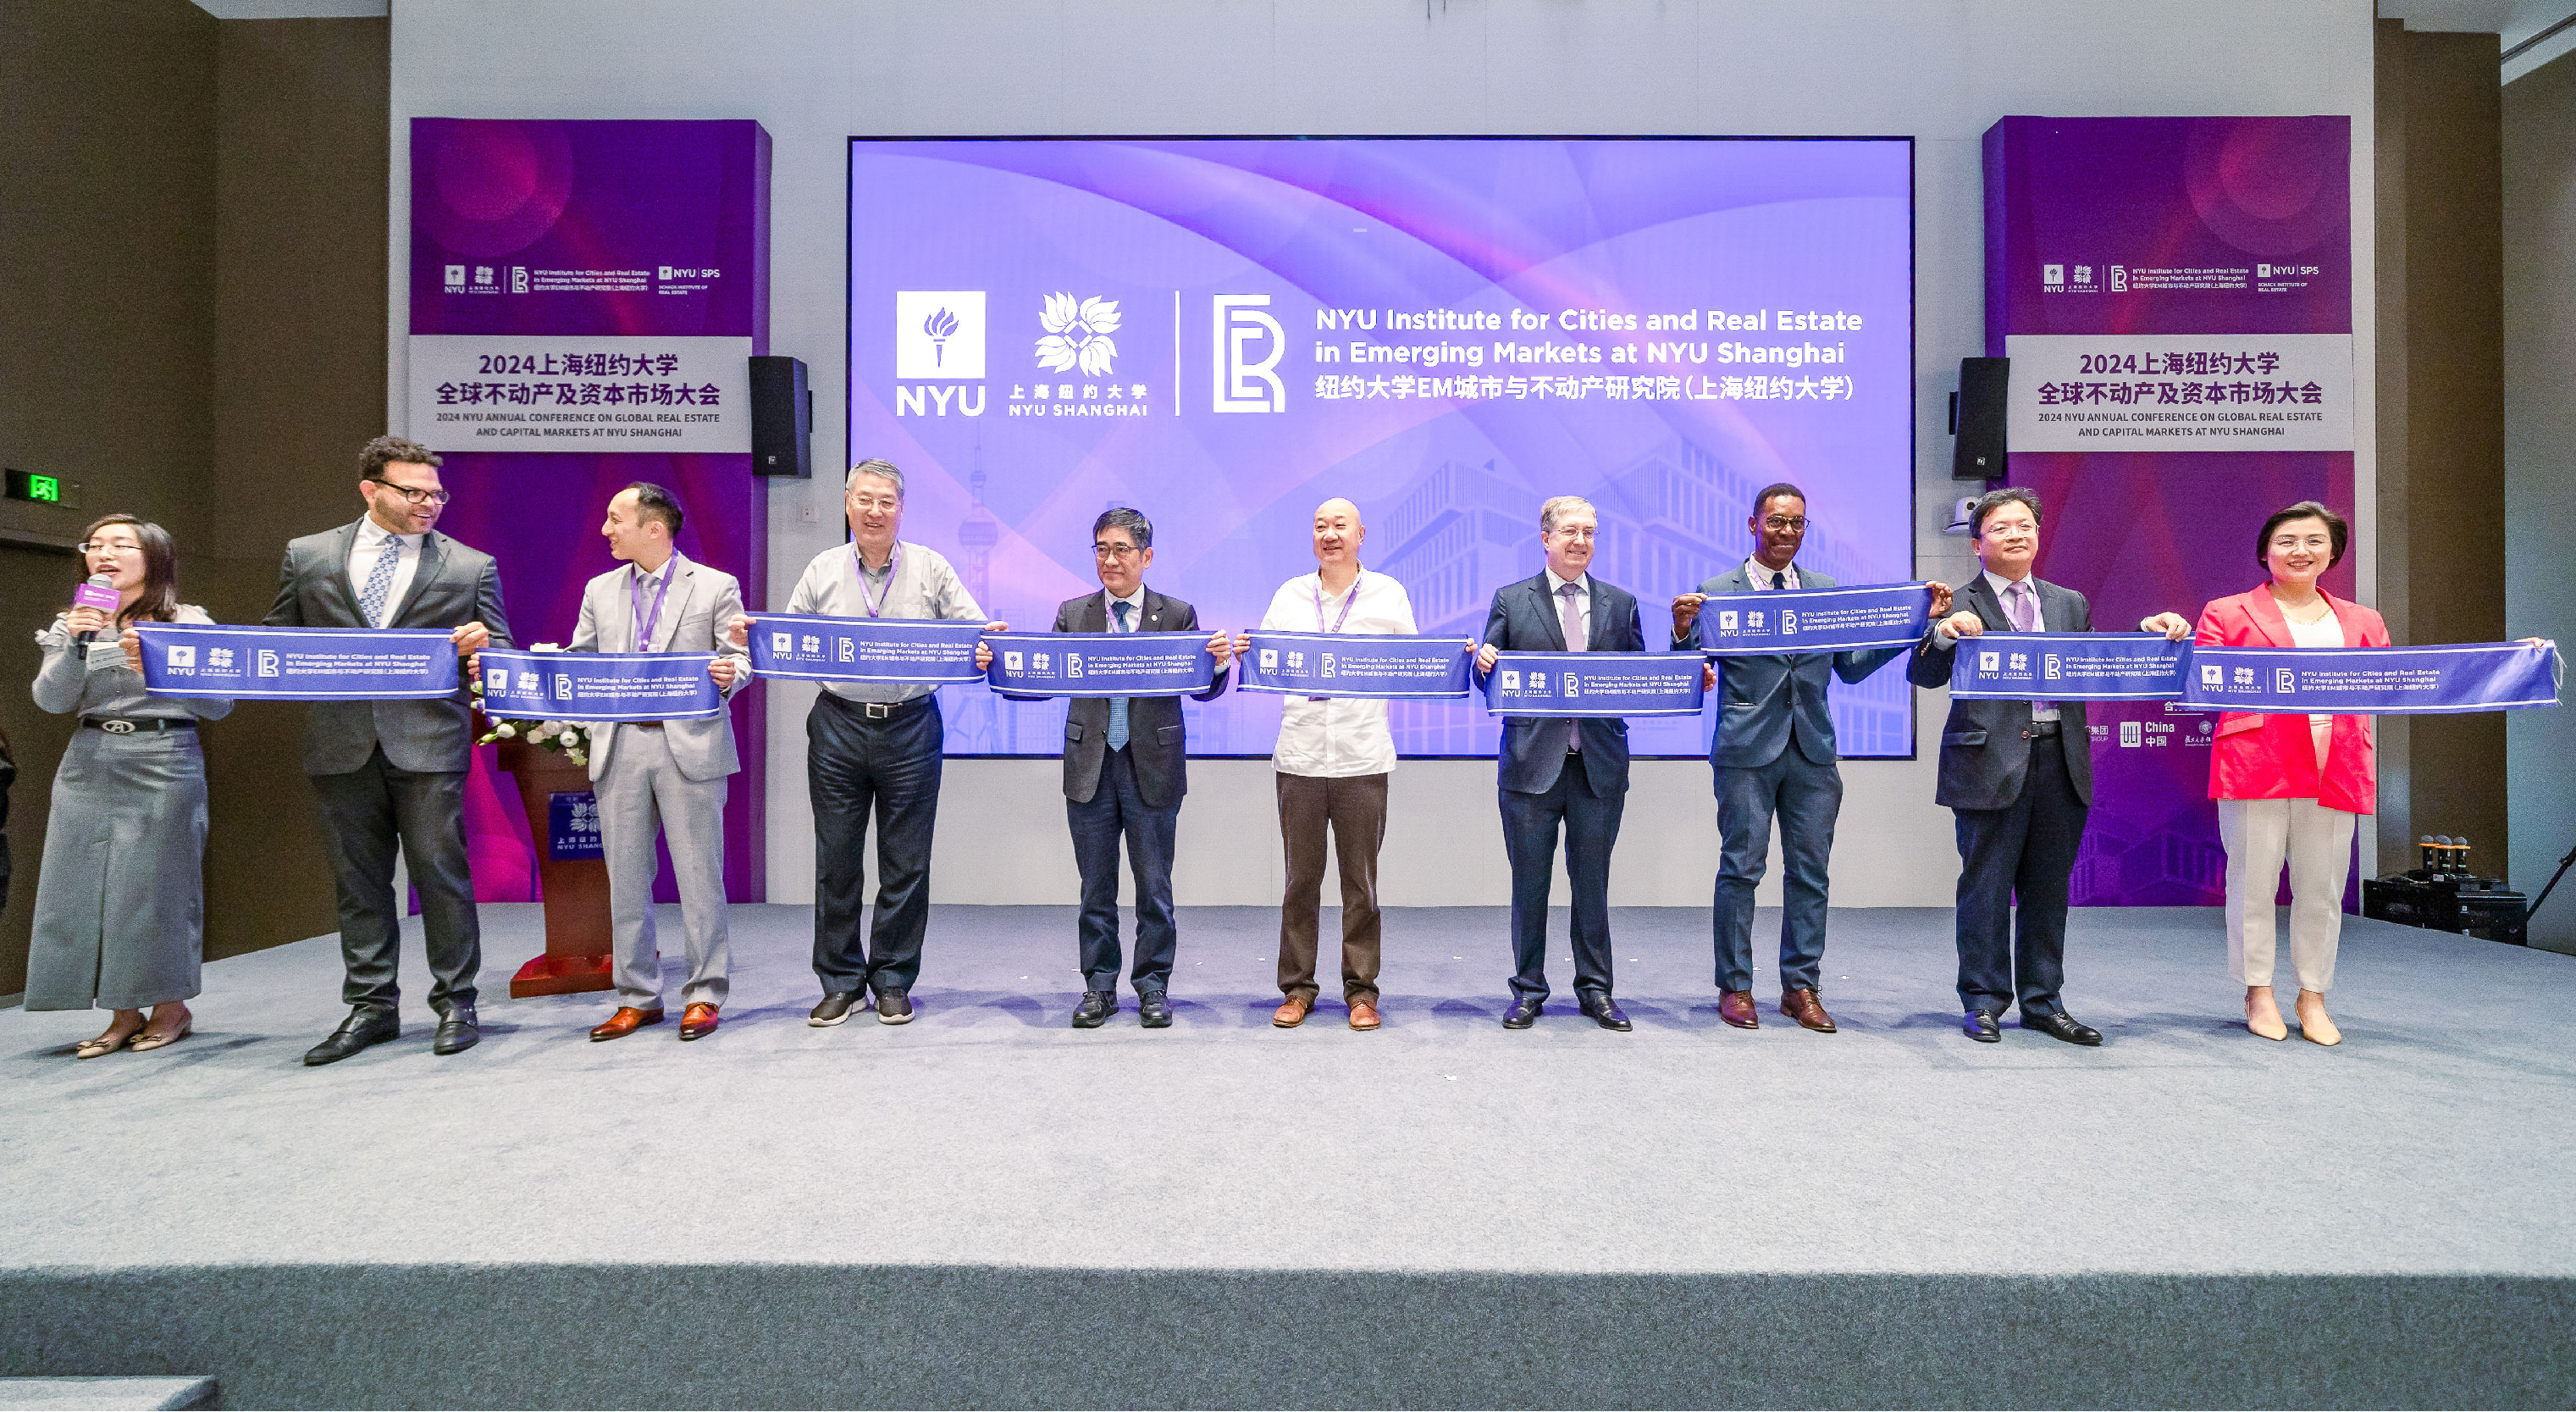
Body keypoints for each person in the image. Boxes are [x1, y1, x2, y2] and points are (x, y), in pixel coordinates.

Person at [1907, 487, 2190, 1045]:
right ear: (1977, 543)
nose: (2015, 535)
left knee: (2048, 889)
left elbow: (2097, 665)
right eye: (2001, 528)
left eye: (2025, 526)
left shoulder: (2068, 602)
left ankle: (2043, 1001)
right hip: (1987, 762)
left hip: (2061, 758)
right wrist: (1942, 634)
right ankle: (1983, 1000)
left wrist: (2147, 636)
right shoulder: (1953, 600)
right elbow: (1923, 674)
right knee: (1985, 888)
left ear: (2038, 535)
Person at [731, 459, 1003, 1028]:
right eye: (865, 499)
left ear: (901, 509)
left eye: (887, 501)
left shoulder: (931, 566)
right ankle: (841, 982)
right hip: (839, 725)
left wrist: (987, 644)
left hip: (911, 726)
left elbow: (973, 632)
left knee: (906, 862)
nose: (875, 511)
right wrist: (753, 639)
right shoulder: (823, 568)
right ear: (847, 503)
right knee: (836, 861)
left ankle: (893, 979)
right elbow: (789, 638)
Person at [1671, 483, 1950, 1033]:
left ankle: (1800, 987)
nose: (1787, 531)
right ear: (1753, 524)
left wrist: (1915, 624)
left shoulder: (1824, 591)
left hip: (1813, 750)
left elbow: (1851, 666)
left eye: (1797, 522)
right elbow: (1691, 667)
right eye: (1776, 521)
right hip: (1746, 751)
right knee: (1741, 869)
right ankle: (1735, 986)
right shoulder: (1717, 591)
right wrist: (1682, 632)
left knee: (1811, 872)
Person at [268, 435, 510, 1065]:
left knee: (441, 877)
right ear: (370, 490)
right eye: (414, 492)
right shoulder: (308, 555)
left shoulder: (470, 566)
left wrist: (485, 648)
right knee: (359, 884)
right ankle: (371, 1007)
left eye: (437, 494)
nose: (430, 503)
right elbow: (275, 643)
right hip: (339, 741)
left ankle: (457, 1002)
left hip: (429, 743)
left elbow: (502, 657)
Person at [25, 516, 231, 1056]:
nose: (104, 554)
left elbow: (219, 703)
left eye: (121, 545)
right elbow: (52, 700)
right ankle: (121, 1013)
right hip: (88, 761)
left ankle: (170, 1007)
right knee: (84, 886)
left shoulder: (186, 621)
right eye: (95, 545)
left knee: (155, 889)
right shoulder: (74, 621)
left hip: (163, 758)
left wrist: (161, 666)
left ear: (153, 557)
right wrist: (75, 642)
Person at [1019, 507, 1232, 1029]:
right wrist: (999, 661)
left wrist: (1219, 663)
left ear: (1146, 556)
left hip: (1152, 766)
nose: (1109, 560)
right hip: (1090, 765)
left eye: (1120, 550)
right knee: (1095, 888)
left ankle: (1153, 985)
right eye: (1101, 549)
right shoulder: (1074, 614)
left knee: (1154, 886)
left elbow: (1202, 688)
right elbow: (1043, 678)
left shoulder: (1176, 614)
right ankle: (1099, 986)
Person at [2195, 502, 2389, 1046]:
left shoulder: (2364, 620)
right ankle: (2258, 991)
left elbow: (2391, 685)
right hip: (2258, 763)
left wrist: (2516, 661)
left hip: (2336, 765)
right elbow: (2203, 681)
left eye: (2313, 540)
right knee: (2252, 884)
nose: (2300, 551)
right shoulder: (2227, 612)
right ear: (2265, 552)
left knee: (2322, 889)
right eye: (2286, 541)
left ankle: (2313, 995)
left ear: (2333, 552)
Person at [569, 484, 750, 1044]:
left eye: (615, 518)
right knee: (625, 880)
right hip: (621, 745)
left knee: (699, 878)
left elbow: (740, 657)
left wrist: (731, 675)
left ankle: (704, 993)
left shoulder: (715, 585)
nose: (605, 529)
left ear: (654, 528)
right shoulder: (599, 589)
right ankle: (636, 997)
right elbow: (581, 660)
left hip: (689, 746)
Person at [1473, 495, 1653, 1032]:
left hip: (1598, 765)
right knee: (1529, 885)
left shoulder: (1622, 604)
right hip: (1531, 766)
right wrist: (1482, 664)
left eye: (1589, 532)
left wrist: (1690, 679)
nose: (1581, 541)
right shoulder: (1512, 600)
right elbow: (1488, 679)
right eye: (1571, 531)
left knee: (1592, 884)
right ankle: (1528, 990)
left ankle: (1596, 990)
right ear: (1546, 539)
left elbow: (1639, 679)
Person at [1237, 497, 1417, 1032]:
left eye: (1340, 525)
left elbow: (1416, 662)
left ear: (1362, 534)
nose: (1330, 534)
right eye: (1320, 526)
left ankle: (1362, 993)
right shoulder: (1289, 595)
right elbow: (1266, 660)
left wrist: (1458, 657)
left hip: (1363, 756)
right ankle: (1297, 989)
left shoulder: (1388, 593)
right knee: (1300, 882)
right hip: (1301, 757)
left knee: (1361, 885)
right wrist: (1243, 652)